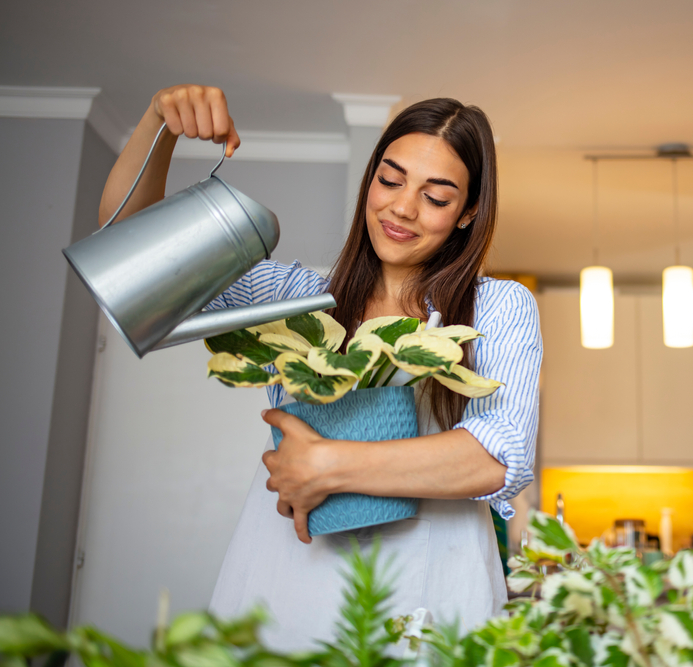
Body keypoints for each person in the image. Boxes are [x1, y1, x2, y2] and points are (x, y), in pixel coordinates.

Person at [98, 85, 542, 650]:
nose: (402, 207)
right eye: (390, 179)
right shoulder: (297, 297)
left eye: (436, 196)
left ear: (469, 212)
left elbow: (497, 455)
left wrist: (326, 465)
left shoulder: (498, 307)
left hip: (429, 593)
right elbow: (132, 260)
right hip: (283, 571)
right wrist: (158, 123)